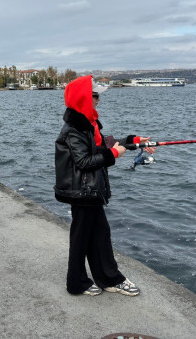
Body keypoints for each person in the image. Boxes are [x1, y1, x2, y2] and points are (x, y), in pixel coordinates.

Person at [54, 75, 154, 297]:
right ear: (84, 99)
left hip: (89, 190)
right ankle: (78, 283)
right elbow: (84, 162)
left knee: (98, 233)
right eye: (95, 96)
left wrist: (134, 140)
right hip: (81, 191)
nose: (99, 100)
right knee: (82, 237)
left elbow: (105, 144)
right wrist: (113, 155)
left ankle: (107, 279)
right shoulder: (73, 128)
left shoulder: (89, 123)